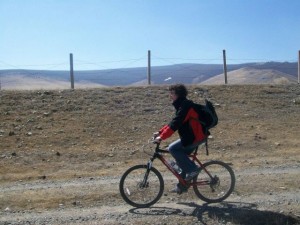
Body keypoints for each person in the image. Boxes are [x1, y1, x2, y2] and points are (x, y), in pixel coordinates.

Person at [154, 84, 208, 193]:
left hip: (196, 137)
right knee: (180, 160)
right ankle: (181, 187)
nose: (170, 96)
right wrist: (160, 132)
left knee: (172, 148)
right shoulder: (182, 105)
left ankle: (193, 170)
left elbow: (176, 124)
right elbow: (173, 122)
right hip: (192, 137)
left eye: (172, 93)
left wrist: (162, 137)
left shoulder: (185, 106)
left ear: (178, 94)